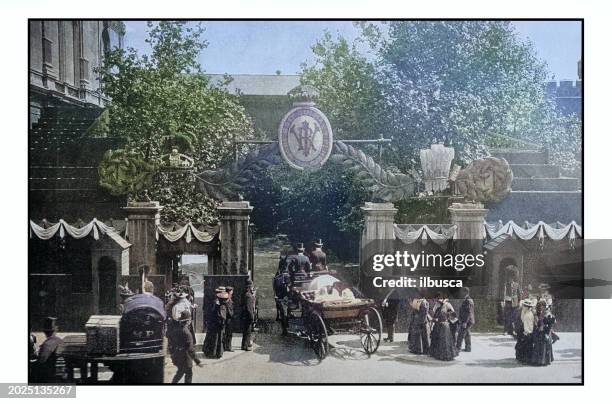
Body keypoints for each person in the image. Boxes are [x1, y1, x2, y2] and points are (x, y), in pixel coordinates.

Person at [169, 310, 203, 384]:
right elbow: (190, 349)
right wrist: (197, 361)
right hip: (185, 357)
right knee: (188, 373)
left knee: (180, 372)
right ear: (188, 321)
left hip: (177, 355)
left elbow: (171, 342)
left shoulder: (176, 329)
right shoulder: (187, 333)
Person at [32, 317, 64, 383]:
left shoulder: (48, 343)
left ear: (44, 331)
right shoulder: (59, 341)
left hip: (48, 376)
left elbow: (41, 361)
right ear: (56, 329)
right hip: (54, 373)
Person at [429, 295, 457, 361]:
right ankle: (436, 354)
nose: (438, 300)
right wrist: (434, 319)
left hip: (444, 326)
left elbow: (453, 315)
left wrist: (447, 317)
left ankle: (445, 356)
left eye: (440, 299)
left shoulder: (447, 305)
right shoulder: (437, 305)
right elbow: (434, 314)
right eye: (438, 299)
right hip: (437, 325)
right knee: (436, 339)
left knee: (444, 341)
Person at [203, 288, 228, 359]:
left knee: (212, 338)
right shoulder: (219, 305)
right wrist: (222, 323)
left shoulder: (216, 302)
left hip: (212, 323)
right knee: (217, 339)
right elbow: (221, 316)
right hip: (216, 324)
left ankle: (210, 352)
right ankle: (216, 353)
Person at [530, 300, 555, 366]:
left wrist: (544, 327)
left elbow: (550, 324)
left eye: (542, 306)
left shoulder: (548, 313)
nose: (541, 308)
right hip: (541, 332)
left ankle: (544, 361)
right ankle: (539, 361)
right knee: (540, 346)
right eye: (540, 306)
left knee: (544, 347)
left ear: (544, 306)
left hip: (545, 332)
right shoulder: (541, 313)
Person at [515, 299, 536, 364]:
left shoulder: (528, 314)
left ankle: (526, 360)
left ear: (527, 307)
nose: (523, 307)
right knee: (525, 346)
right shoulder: (527, 312)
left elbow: (528, 325)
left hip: (527, 332)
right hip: (525, 332)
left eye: (524, 306)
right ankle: (523, 359)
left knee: (527, 347)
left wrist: (526, 332)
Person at [503, 266, 522, 336]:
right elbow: (504, 293)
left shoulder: (517, 285)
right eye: (509, 278)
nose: (509, 279)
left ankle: (513, 330)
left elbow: (519, 294)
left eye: (511, 278)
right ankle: (506, 330)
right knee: (507, 317)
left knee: (514, 317)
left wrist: (520, 302)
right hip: (508, 302)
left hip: (515, 303)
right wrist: (504, 301)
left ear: (512, 278)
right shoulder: (506, 285)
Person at [456, 287, 475, 352]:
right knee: (467, 334)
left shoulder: (468, 300)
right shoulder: (467, 299)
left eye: (462, 292)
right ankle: (468, 348)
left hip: (467, 321)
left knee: (461, 334)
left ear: (466, 292)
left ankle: (457, 348)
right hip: (468, 320)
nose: (461, 293)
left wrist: (465, 322)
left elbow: (468, 312)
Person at [241, 278, 256, 351]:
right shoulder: (248, 296)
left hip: (245, 316)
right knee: (247, 331)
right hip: (247, 316)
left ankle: (246, 343)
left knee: (247, 331)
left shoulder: (245, 293)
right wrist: (252, 317)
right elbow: (249, 308)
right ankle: (245, 346)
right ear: (250, 287)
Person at [224, 286, 235, 352]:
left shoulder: (228, 298)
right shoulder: (228, 299)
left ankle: (227, 346)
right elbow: (228, 309)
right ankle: (228, 347)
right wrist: (232, 314)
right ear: (230, 291)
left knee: (228, 333)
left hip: (229, 318)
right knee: (229, 333)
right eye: (232, 291)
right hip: (229, 319)